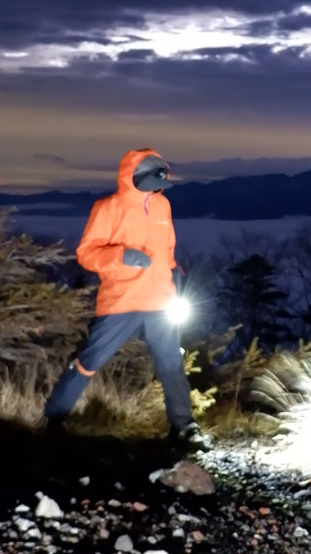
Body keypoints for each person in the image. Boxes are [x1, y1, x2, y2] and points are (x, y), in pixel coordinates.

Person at [44, 147, 206, 450]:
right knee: (91, 360)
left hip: (161, 301)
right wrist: (122, 256)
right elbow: (87, 253)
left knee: (171, 363)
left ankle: (184, 427)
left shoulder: (162, 206)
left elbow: (167, 249)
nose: (159, 188)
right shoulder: (108, 208)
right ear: (134, 177)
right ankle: (53, 418)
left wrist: (175, 272)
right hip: (122, 300)